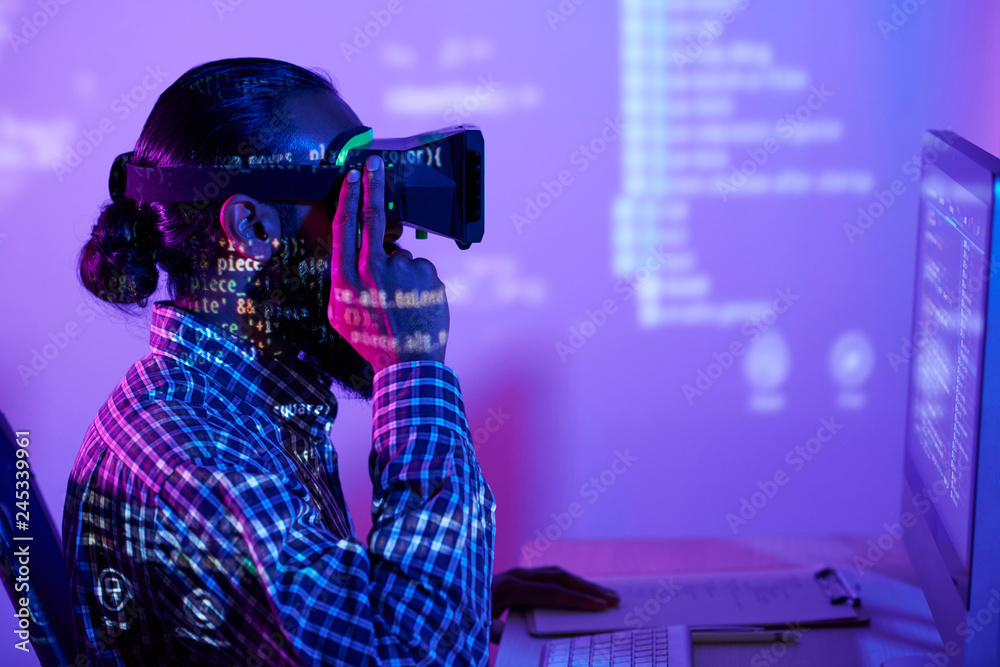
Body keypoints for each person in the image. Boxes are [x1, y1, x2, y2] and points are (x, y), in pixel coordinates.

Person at [62, 57, 618, 666]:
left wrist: (457, 600)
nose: (386, 236)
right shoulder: (187, 449)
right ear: (250, 226)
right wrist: (412, 370)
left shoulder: (240, 406)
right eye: (350, 190)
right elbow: (406, 659)